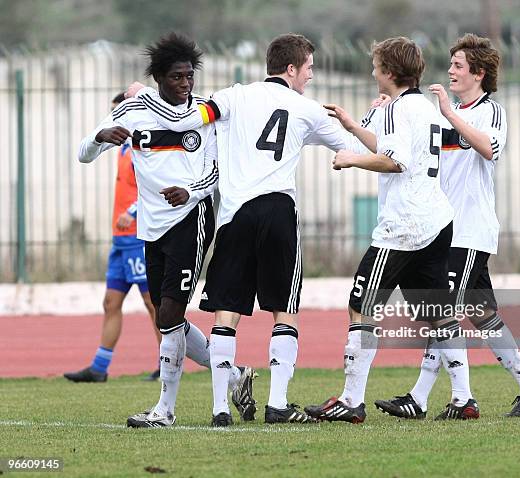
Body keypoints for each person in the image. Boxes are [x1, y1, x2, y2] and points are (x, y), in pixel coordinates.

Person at [126, 33, 351, 426]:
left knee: (225, 312)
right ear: (292, 69)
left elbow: (191, 116)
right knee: (284, 310)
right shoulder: (307, 108)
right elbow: (348, 147)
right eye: (310, 68)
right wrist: (361, 138)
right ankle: (278, 404)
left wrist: (145, 97)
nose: (311, 76)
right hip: (278, 209)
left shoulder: (233, 96)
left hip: (233, 214)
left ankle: (219, 410)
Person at [78, 33, 255, 428]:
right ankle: (236, 374)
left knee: (172, 310)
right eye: (178, 77)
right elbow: (83, 153)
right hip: (151, 225)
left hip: (192, 217)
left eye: (190, 77)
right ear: (159, 76)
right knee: (165, 318)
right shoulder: (134, 108)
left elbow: (215, 172)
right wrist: (100, 136)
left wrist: (189, 191)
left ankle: (165, 410)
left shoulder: (203, 116)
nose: (186, 84)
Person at [303, 36, 478, 423]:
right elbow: (392, 147)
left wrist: (351, 159)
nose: (372, 71)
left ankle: (351, 400)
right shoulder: (423, 106)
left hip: (404, 226)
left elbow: (394, 162)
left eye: (376, 66)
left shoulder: (399, 108)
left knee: (360, 305)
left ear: (390, 73)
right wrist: (353, 125)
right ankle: (464, 398)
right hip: (436, 220)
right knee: (439, 313)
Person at [406, 33, 520, 417]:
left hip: (470, 230)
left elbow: (490, 149)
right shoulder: (442, 112)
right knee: (484, 316)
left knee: (444, 310)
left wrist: (451, 114)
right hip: (444, 230)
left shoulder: (490, 111)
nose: (451, 70)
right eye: (451, 64)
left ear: (479, 73)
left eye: (458, 65)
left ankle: (422, 398)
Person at [64, 93, 161, 384]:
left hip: (136, 236)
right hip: (120, 240)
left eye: (120, 113)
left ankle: (167, 364)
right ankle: (99, 367)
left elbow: (154, 188)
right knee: (110, 302)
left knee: (152, 303)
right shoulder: (120, 150)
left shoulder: (144, 150)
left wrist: (132, 213)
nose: (116, 120)